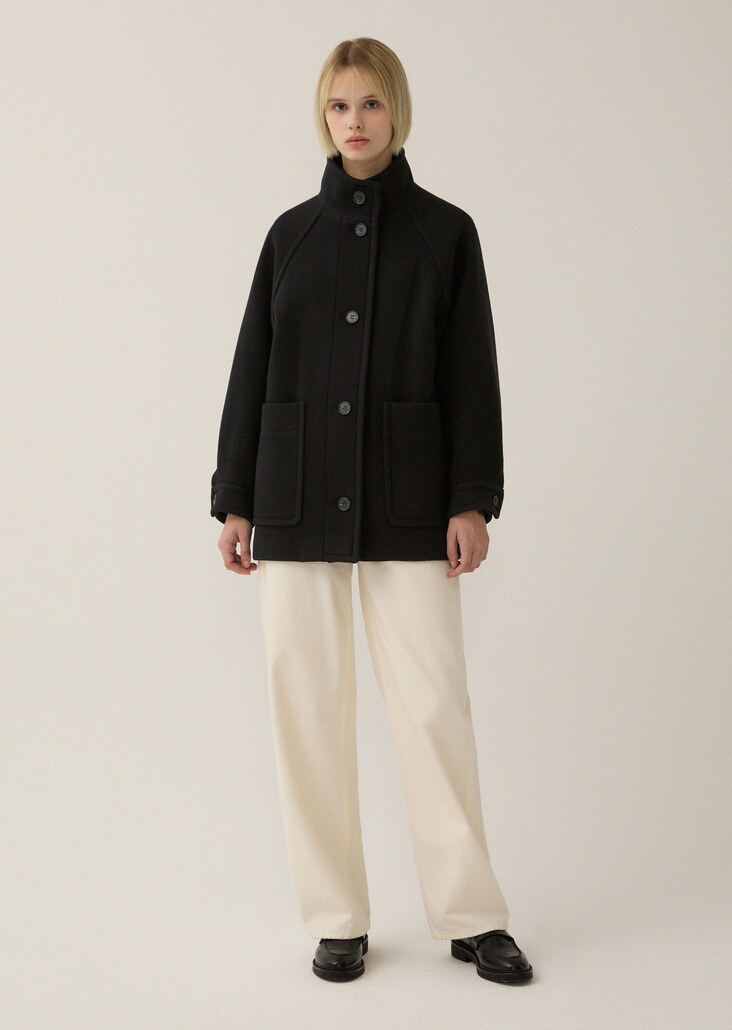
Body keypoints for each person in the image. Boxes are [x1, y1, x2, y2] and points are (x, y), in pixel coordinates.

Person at [210, 37, 533, 985]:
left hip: (411, 500)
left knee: (433, 707)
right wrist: (235, 500)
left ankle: (471, 914)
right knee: (306, 709)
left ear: (398, 113)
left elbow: (471, 372)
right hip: (295, 500)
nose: (355, 122)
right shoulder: (289, 236)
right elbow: (251, 368)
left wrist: (472, 499)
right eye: (339, 105)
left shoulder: (446, 232)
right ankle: (338, 918)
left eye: (372, 104)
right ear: (324, 117)